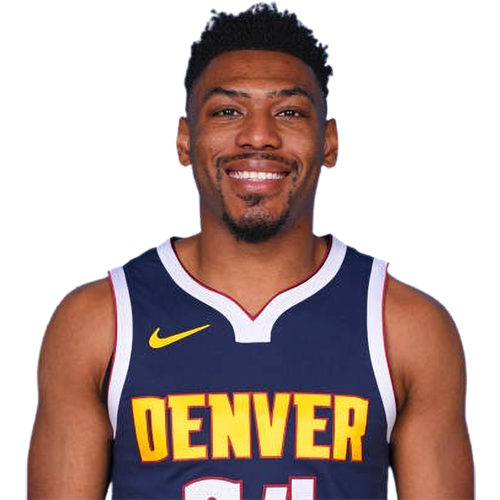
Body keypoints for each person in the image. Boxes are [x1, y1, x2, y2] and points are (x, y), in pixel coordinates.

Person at [27, 4, 474, 499]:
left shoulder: (406, 327)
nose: (259, 135)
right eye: (227, 111)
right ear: (184, 141)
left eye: (289, 112)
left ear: (329, 143)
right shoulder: (98, 322)